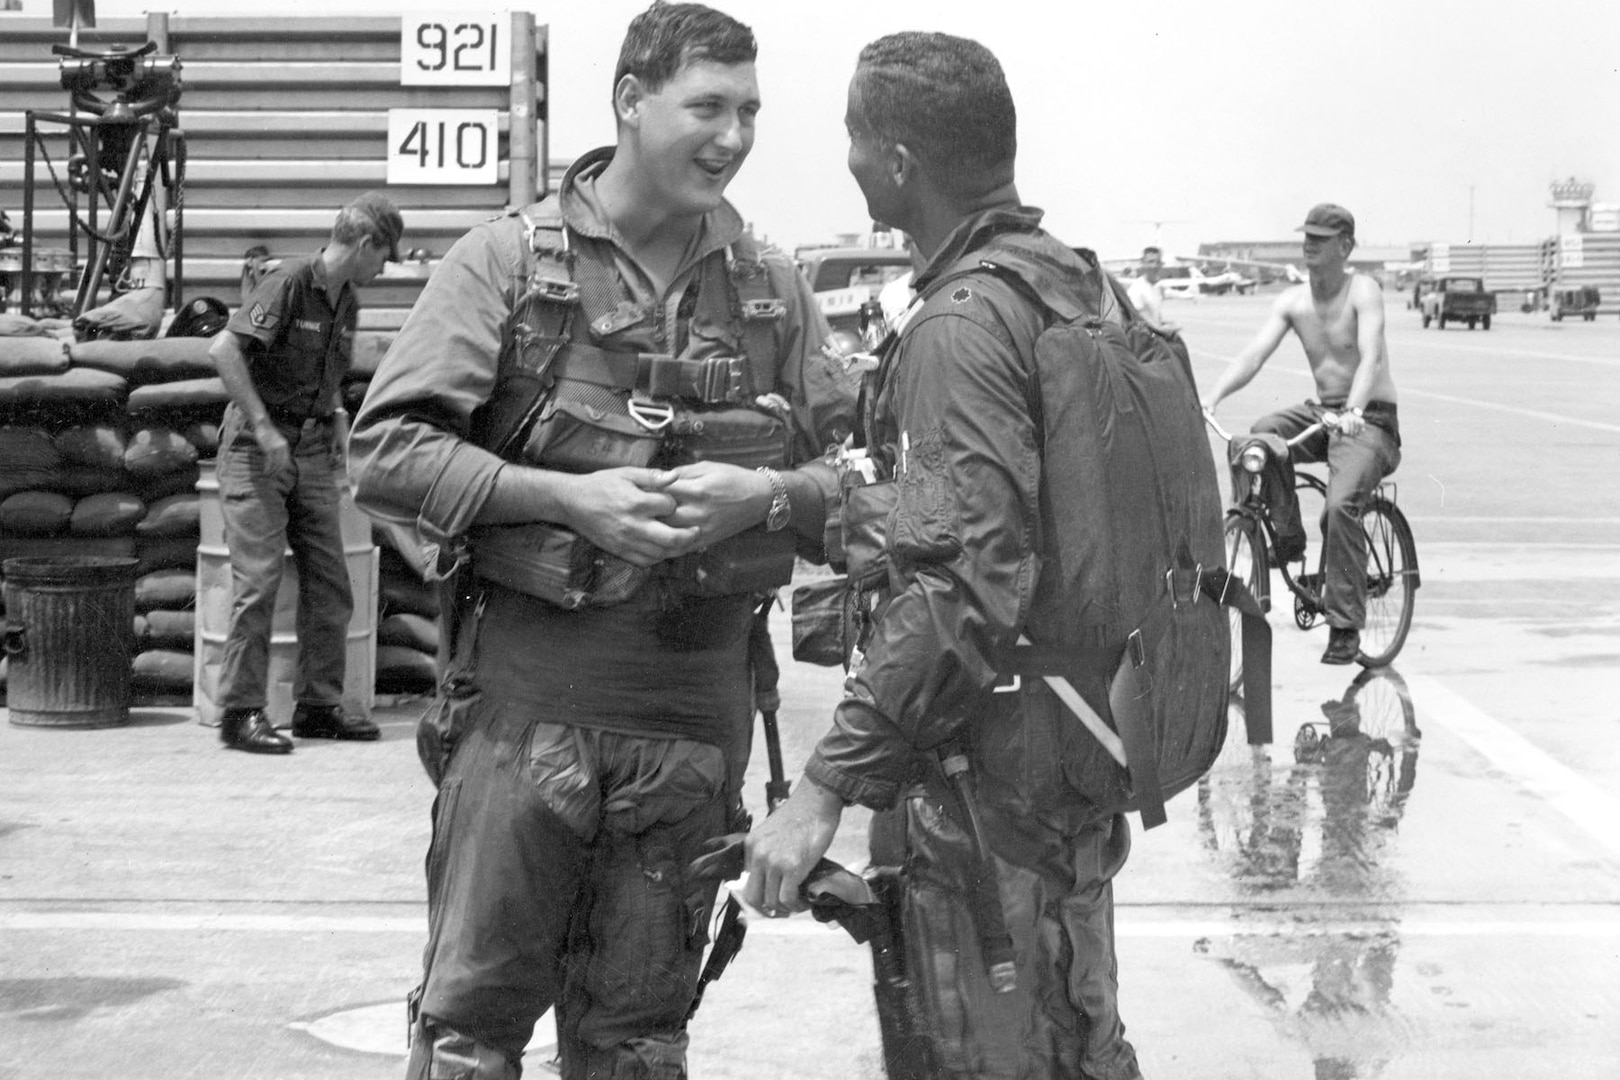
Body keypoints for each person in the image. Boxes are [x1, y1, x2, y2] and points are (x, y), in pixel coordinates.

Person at [346, 4, 853, 1077]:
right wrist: (567, 501)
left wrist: (761, 496)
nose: (733, 136)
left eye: (750, 110)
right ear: (630, 100)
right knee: (468, 1041)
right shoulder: (508, 265)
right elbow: (384, 451)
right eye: (706, 106)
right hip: (525, 721)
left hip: (691, 736)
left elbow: (867, 480)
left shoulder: (771, 290)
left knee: (637, 1048)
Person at [743, 32, 1144, 1080]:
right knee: (1076, 1037)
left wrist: (824, 785)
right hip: (1069, 763)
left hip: (986, 806)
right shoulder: (1075, 286)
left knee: (992, 1054)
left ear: (897, 161)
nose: (847, 159)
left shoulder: (962, 323)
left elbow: (963, 583)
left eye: (852, 138)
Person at [207, 191, 402, 754]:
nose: (383, 270)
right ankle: (240, 713)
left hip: (312, 448)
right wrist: (266, 430)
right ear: (365, 243)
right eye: (383, 256)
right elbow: (224, 350)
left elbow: (328, 371)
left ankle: (318, 705)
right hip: (256, 447)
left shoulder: (347, 302)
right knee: (259, 582)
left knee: (332, 583)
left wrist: (339, 414)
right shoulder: (289, 282)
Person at [1201, 202, 1401, 665]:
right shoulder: (1293, 301)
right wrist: (1211, 397)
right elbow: (1252, 356)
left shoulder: (1363, 291)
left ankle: (1346, 625)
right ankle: (1287, 538)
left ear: (1345, 246)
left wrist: (1353, 409)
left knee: (1339, 506)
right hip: (1324, 414)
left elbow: (1369, 356)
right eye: (1305, 236)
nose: (1308, 244)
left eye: (1320, 237)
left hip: (1369, 419)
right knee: (1261, 437)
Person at [1126, 244, 1179, 333]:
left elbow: (1154, 316)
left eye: (1157, 262)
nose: (1154, 266)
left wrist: (1164, 322)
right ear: (1143, 263)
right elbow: (1141, 317)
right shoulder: (1136, 289)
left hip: (1153, 335)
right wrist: (1165, 329)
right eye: (1150, 262)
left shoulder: (1158, 287)